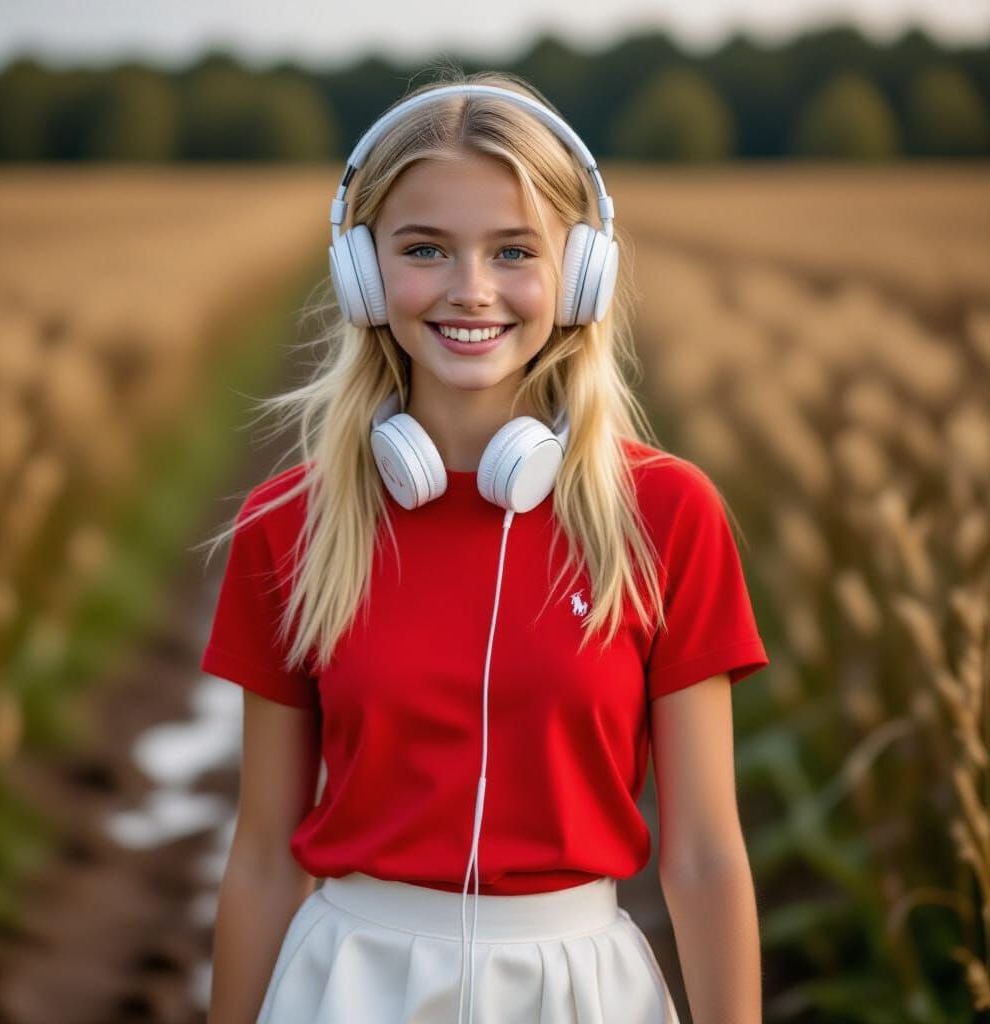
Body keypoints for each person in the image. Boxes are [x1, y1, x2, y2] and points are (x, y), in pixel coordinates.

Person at [197, 68, 769, 1024]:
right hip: (346, 985)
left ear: (581, 274)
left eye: (514, 251)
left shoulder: (667, 516)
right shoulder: (289, 525)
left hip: (582, 991)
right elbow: (262, 854)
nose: (471, 291)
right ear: (364, 270)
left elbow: (706, 854)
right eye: (425, 248)